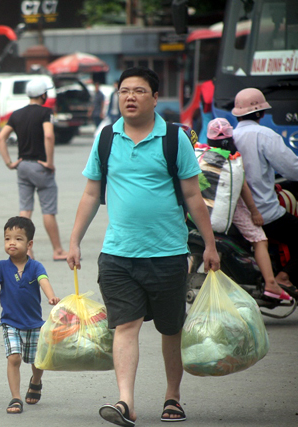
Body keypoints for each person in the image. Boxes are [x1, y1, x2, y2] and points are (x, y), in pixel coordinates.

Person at [67, 67, 220, 426]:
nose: (130, 97)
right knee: (126, 326)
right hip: (118, 254)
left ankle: (172, 396)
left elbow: (193, 195)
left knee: (170, 329)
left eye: (138, 91)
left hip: (167, 254)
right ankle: (125, 402)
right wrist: (73, 240)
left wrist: (209, 245)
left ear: (155, 98)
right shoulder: (106, 138)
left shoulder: (174, 139)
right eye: (124, 91)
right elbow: (91, 193)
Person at [198, 118, 290, 300]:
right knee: (259, 239)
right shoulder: (234, 163)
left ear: (209, 140)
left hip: (204, 210)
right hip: (233, 209)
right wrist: (255, 212)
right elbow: (243, 188)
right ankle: (271, 283)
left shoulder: (202, 155)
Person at [0, 216, 59, 414]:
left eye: (18, 239)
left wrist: (52, 297)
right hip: (10, 322)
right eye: (7, 238)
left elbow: (44, 281)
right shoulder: (1, 267)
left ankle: (36, 381)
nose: (11, 242)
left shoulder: (36, 266)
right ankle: (15, 398)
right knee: (14, 358)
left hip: (34, 323)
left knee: (37, 360)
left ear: (29, 244)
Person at [232, 88, 298, 299]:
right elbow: (292, 169)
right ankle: (284, 276)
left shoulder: (232, 136)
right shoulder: (265, 135)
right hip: (264, 214)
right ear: (261, 113)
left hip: (235, 213)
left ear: (238, 114)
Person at [0, 77, 68, 262]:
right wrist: (49, 162)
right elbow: (49, 135)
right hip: (41, 165)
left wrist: (9, 163)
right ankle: (58, 251)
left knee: (25, 210)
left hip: (23, 166)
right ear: (43, 95)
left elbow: (0, 138)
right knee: (48, 210)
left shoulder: (16, 114)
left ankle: (25, 251)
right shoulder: (46, 112)